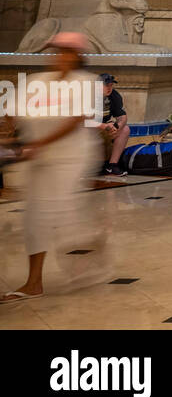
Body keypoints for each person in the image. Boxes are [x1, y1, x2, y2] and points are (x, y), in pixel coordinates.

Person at [2, 32, 107, 303]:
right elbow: (14, 111)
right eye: (56, 50)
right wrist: (12, 133)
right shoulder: (37, 81)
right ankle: (33, 283)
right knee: (34, 219)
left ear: (77, 56)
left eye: (65, 51)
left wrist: (40, 143)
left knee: (61, 215)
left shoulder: (87, 82)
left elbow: (74, 121)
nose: (58, 56)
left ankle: (94, 239)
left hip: (72, 158)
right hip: (39, 159)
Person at [97, 72, 129, 176]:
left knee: (125, 129)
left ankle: (112, 165)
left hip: (102, 127)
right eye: (106, 85)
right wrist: (104, 126)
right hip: (88, 128)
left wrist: (118, 127)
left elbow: (122, 116)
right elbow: (83, 122)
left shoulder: (114, 95)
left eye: (111, 85)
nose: (109, 88)